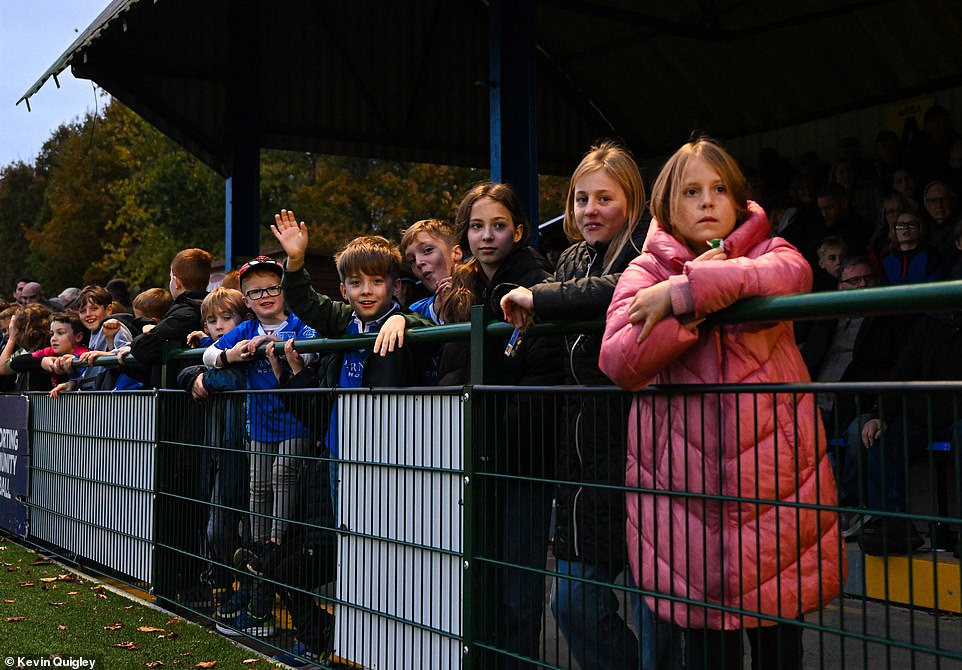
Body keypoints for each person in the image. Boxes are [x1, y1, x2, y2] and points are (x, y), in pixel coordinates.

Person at [599, 136, 843, 670]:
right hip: (685, 493)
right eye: (691, 191)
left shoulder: (772, 249)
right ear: (667, 205)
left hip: (774, 483)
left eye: (718, 190)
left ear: (737, 200)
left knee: (781, 642)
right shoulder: (644, 271)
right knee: (710, 648)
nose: (707, 202)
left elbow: (793, 277)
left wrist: (685, 295)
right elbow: (617, 359)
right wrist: (689, 307)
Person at [500, 140, 675, 670]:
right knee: (572, 601)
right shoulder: (571, 256)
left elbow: (620, 289)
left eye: (604, 197)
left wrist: (543, 299)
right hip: (582, 452)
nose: (589, 210)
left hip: (647, 442)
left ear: (634, 199)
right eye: (580, 199)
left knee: (657, 610)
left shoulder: (653, 246)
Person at [435, 182, 563, 669]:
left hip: (517, 462)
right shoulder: (464, 288)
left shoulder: (537, 283)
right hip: (472, 461)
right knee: (477, 583)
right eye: (475, 226)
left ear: (519, 230)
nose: (486, 236)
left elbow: (542, 377)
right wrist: (400, 318)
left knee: (516, 588)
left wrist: (489, 442)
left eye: (498, 225)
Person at [203, 255, 318, 637]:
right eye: (255, 291)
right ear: (246, 299)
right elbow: (208, 354)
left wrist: (282, 347)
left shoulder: (301, 323)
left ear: (284, 290)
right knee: (258, 487)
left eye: (272, 288)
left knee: (285, 474)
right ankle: (258, 545)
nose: (265, 295)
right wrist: (229, 355)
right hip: (259, 428)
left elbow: (317, 349)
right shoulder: (245, 328)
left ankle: (275, 538)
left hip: (294, 424)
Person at [118, 248, 212, 387]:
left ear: (176, 282)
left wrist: (147, 328)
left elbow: (143, 346)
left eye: (170, 277)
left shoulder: (184, 314)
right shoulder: (208, 308)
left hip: (180, 402)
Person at [399, 218, 464, 324]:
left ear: (456, 253)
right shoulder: (414, 312)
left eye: (427, 250)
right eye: (412, 260)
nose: (418, 262)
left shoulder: (485, 294)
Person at [6, 311, 88, 393]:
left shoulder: (83, 356)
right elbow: (15, 362)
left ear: (78, 337)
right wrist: (42, 361)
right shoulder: (50, 351)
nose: (53, 338)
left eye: (60, 333)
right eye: (52, 334)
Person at [879, 210, 942, 284]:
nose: (906, 228)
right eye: (900, 225)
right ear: (894, 230)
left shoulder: (930, 254)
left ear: (920, 228)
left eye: (911, 224)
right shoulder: (887, 258)